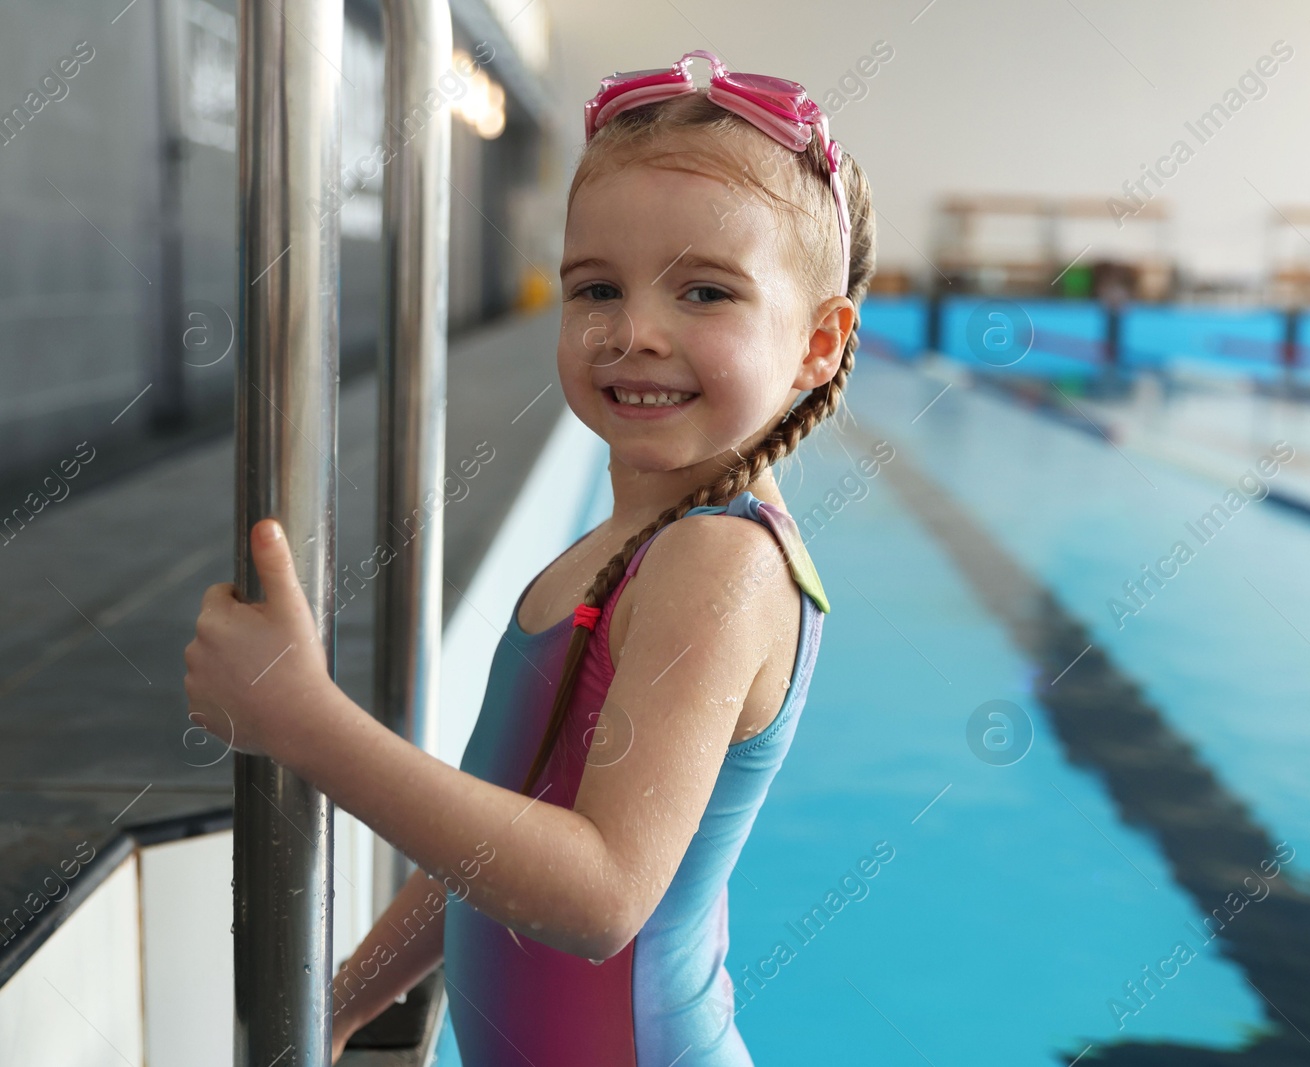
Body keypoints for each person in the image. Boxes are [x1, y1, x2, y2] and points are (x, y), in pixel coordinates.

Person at [182, 48, 876, 1066]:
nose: (634, 330)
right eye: (596, 285)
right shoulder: (631, 545)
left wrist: (303, 717)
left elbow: (597, 896)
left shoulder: (720, 566)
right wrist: (343, 1000)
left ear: (817, 344)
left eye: (706, 294)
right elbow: (497, 848)